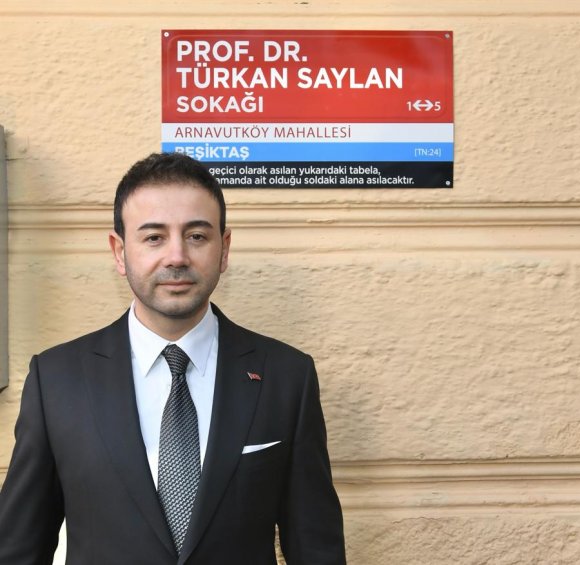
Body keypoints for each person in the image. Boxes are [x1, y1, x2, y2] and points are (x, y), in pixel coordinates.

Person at [0, 152, 346, 564]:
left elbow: (317, 549)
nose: (177, 256)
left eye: (197, 236)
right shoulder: (55, 380)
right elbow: (18, 549)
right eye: (154, 237)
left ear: (224, 248)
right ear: (119, 251)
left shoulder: (287, 377)